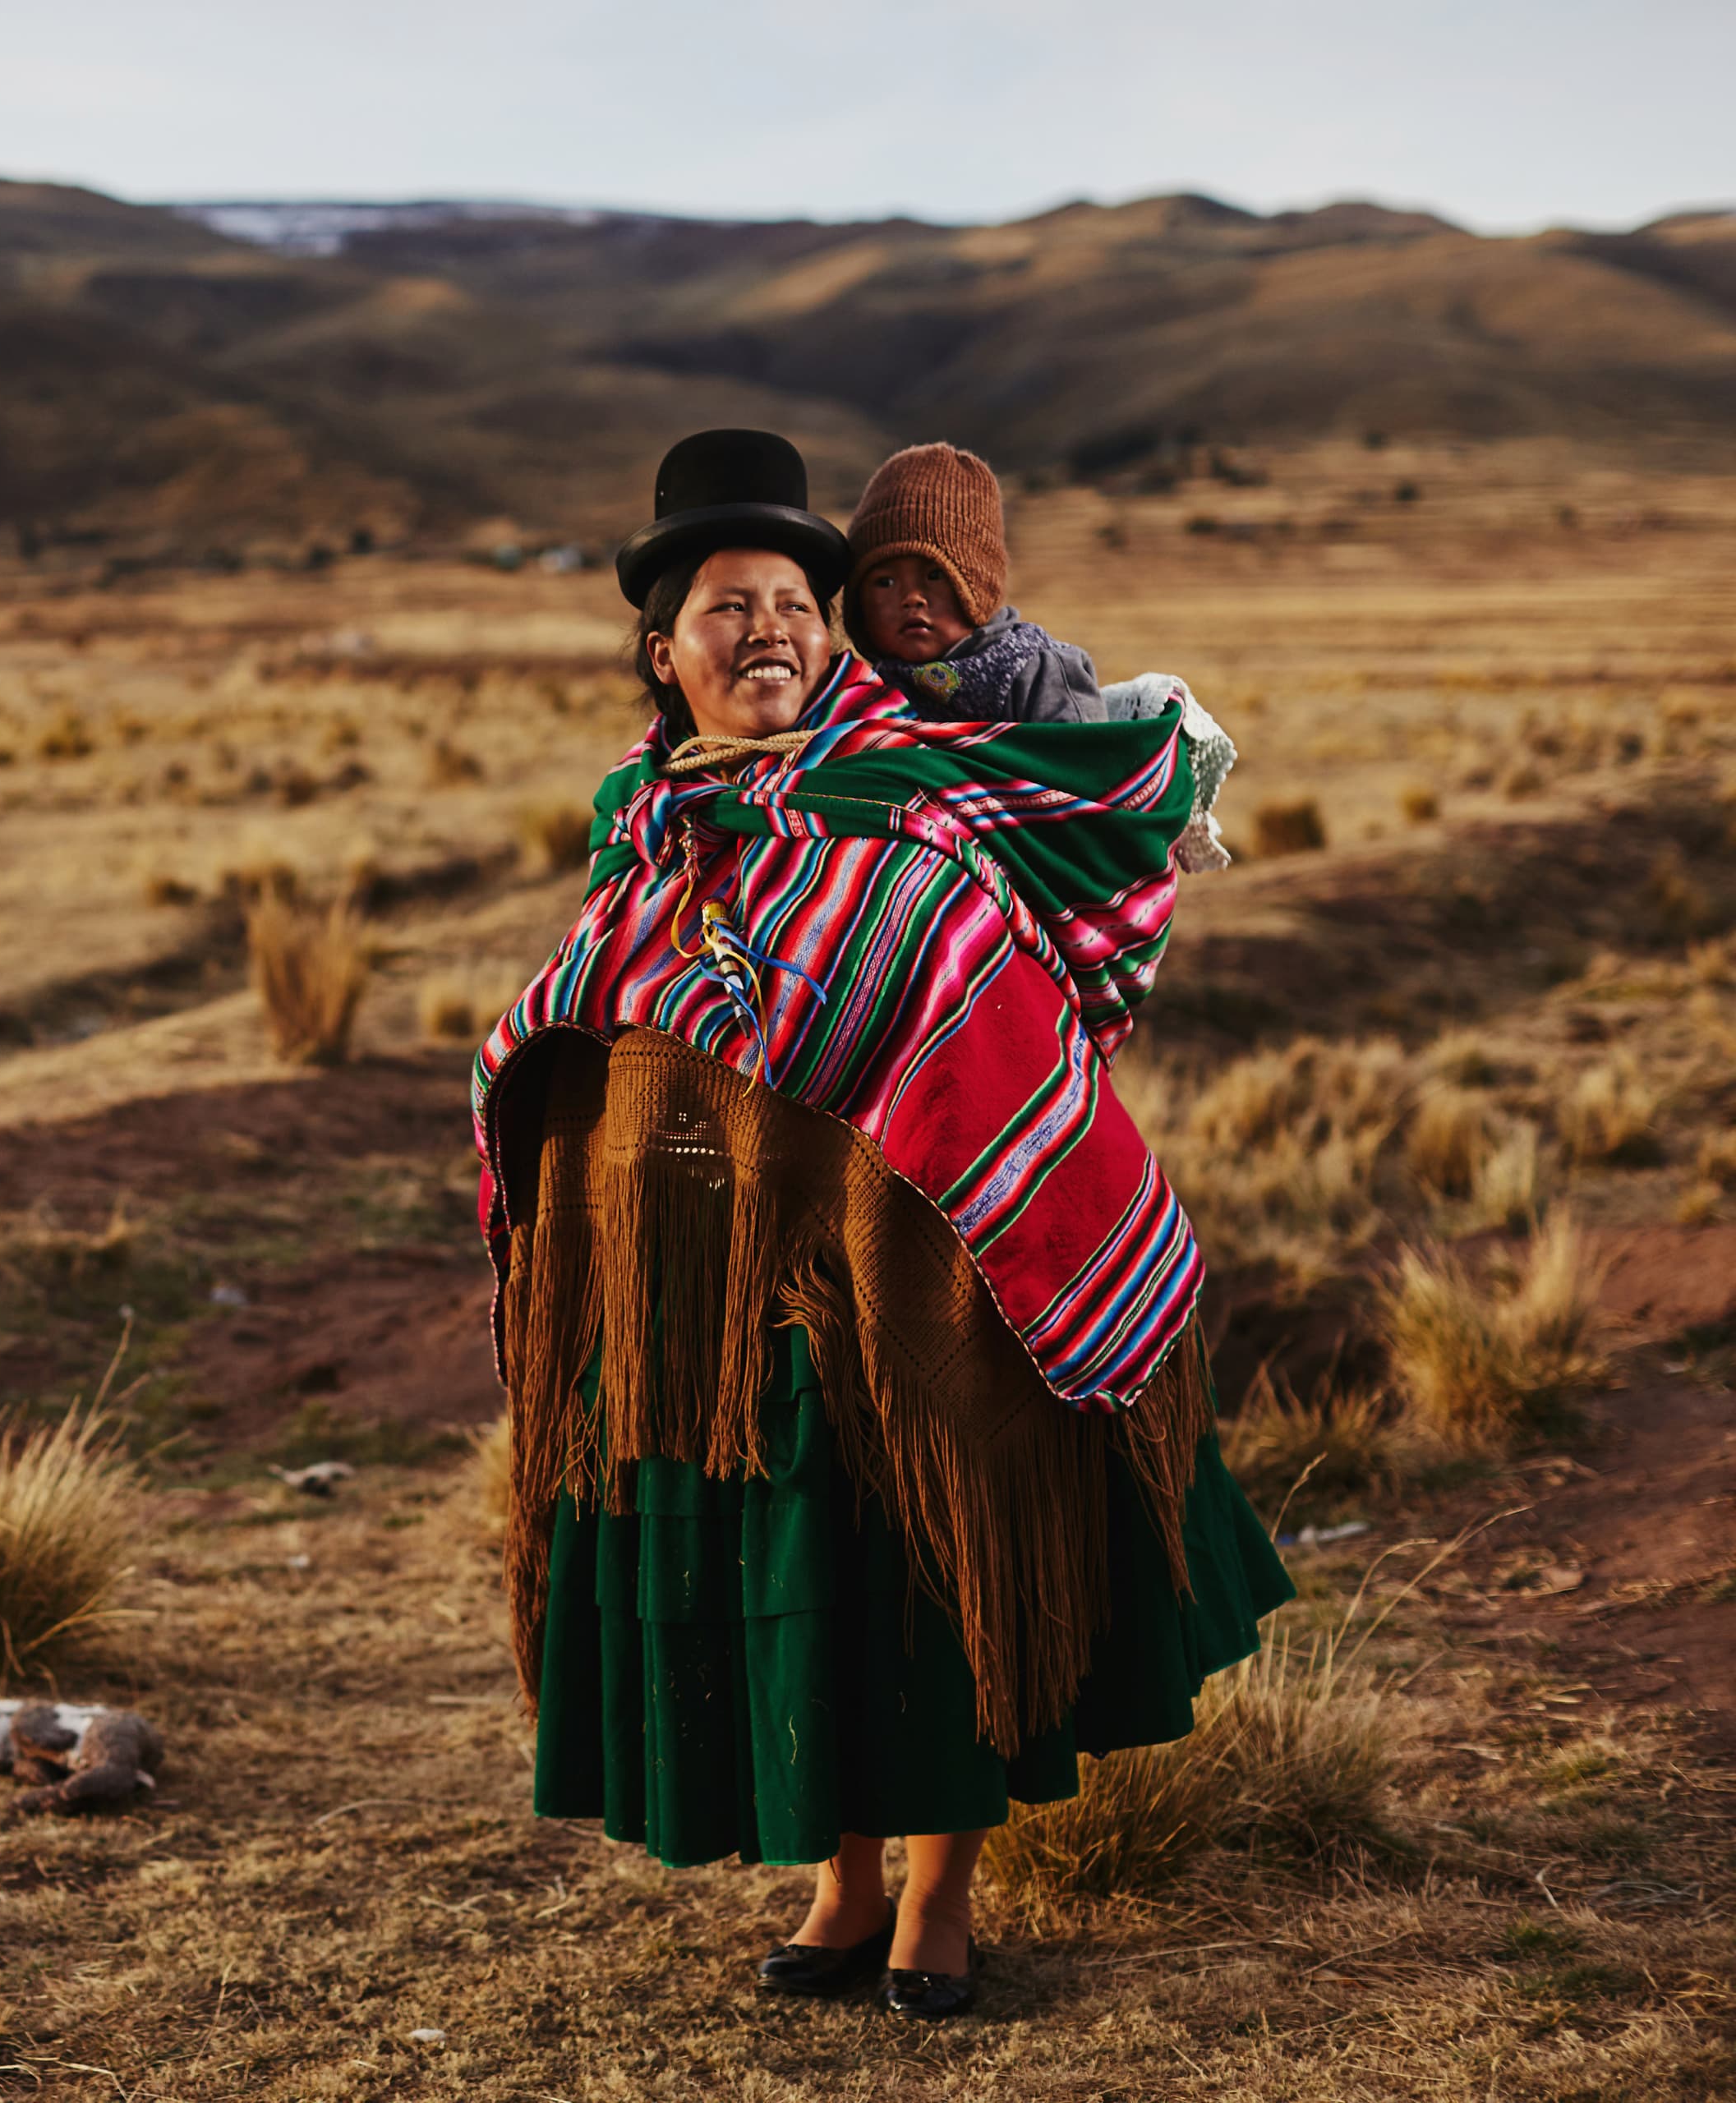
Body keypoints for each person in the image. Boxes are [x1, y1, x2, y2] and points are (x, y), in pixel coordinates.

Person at [474, 429, 1287, 2021]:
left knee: (917, 1558)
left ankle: (935, 1892)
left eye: (793, 597)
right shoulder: (643, 820)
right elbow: (603, 1010)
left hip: (913, 1269)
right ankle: (837, 1879)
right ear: (666, 648)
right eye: (728, 604)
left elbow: (1018, 961)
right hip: (716, 1296)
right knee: (800, 1575)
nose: (768, 625)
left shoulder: (910, 780)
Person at [845, 440, 1105, 723]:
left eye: (935, 576)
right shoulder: (868, 690)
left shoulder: (1034, 668)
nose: (912, 598)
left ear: (980, 584)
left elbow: (1083, 759)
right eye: (885, 582)